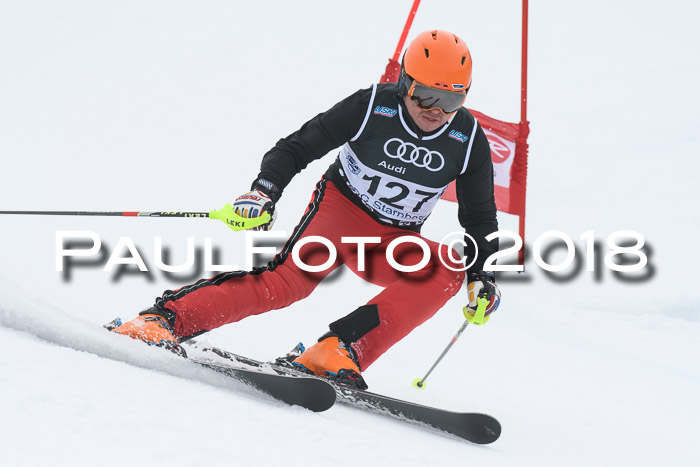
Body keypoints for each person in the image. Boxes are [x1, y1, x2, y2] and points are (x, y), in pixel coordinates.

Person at [111, 30, 501, 390]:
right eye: (425, 95)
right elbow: (295, 148)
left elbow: (480, 217)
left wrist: (483, 275)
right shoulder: (370, 107)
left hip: (394, 239)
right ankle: (162, 320)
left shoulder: (467, 140)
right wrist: (264, 192)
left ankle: (336, 351)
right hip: (341, 212)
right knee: (287, 284)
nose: (436, 110)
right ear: (404, 82)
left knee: (451, 267)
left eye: (451, 99)